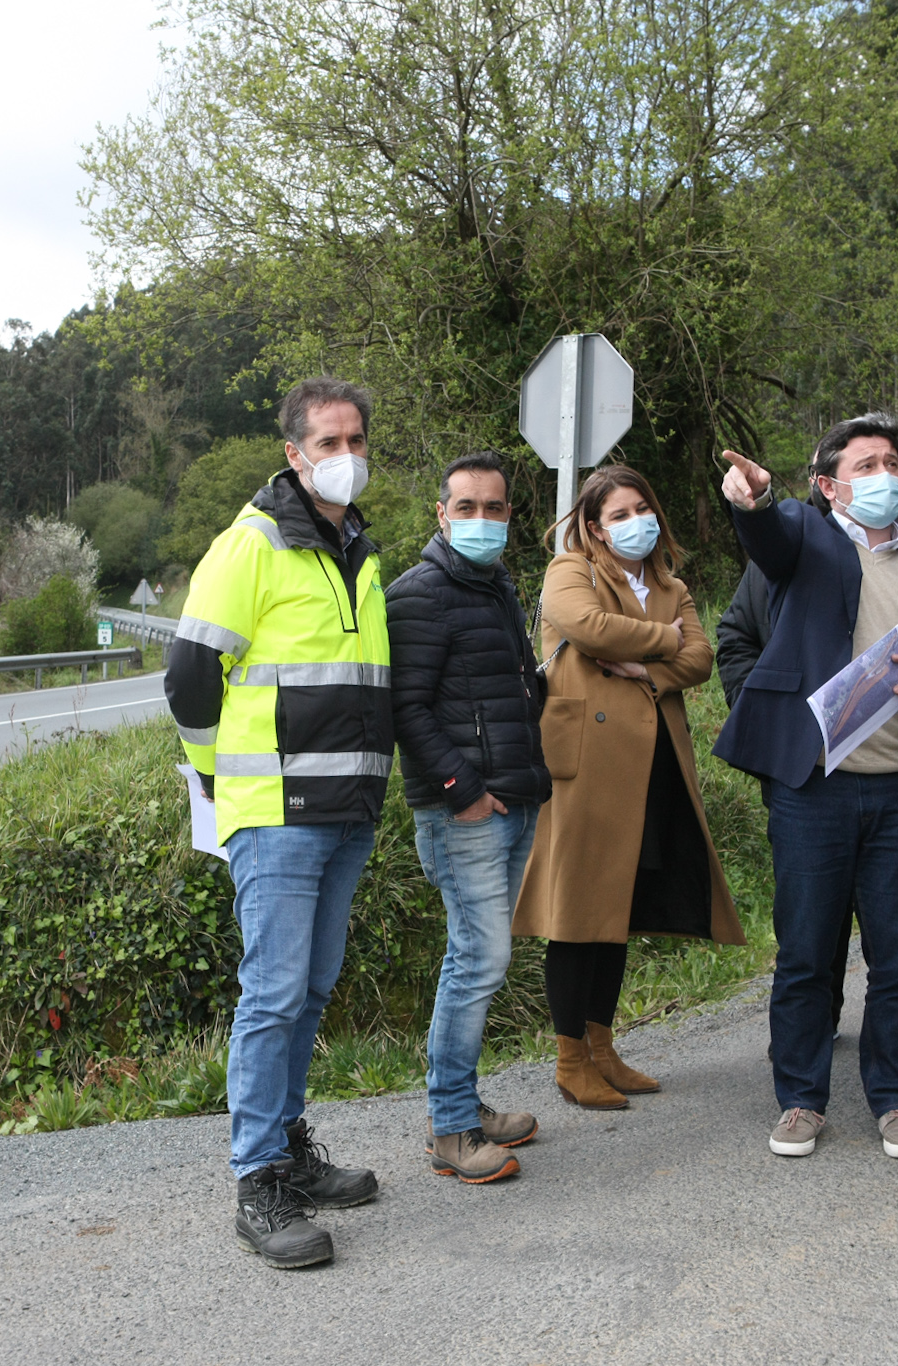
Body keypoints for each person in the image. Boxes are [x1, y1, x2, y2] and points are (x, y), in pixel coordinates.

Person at [166, 376, 395, 1270]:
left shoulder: (359, 552)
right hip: (279, 813)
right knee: (272, 991)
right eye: (329, 443)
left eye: (356, 442)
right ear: (294, 455)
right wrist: (222, 779)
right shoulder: (251, 545)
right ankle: (257, 1180)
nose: (347, 457)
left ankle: (289, 1147)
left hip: (348, 810)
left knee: (310, 987)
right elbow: (189, 678)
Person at [713, 415, 898, 1162]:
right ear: (828, 486)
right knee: (806, 954)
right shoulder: (806, 541)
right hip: (814, 793)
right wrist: (752, 501)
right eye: (866, 465)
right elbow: (769, 534)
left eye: (892, 461)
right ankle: (800, 1099)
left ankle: (895, 1099)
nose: (886, 474)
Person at [512, 465, 745, 1111]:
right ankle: (569, 1058)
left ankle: (603, 1048)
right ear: (593, 526)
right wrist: (665, 640)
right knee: (577, 912)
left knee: (614, 910)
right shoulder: (571, 570)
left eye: (642, 508)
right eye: (618, 514)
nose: (634, 522)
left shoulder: (671, 583)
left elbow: (700, 660)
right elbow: (586, 627)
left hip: (652, 762)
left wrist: (646, 664)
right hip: (586, 765)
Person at [386, 451, 551, 1185]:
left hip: (515, 801)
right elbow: (407, 708)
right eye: (467, 508)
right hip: (466, 814)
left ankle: (466, 1103)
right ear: (442, 515)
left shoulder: (496, 587)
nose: (482, 520)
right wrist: (463, 789)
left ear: (510, 515)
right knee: (477, 962)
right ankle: (451, 1127)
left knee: (480, 958)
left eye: (495, 508)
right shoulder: (419, 594)